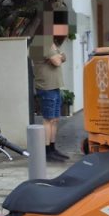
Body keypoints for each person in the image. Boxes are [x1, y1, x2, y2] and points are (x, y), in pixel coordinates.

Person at [31, 14, 69, 163]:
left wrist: (60, 55)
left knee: (54, 119)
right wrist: (59, 56)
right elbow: (57, 61)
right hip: (46, 87)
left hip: (54, 86)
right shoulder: (42, 42)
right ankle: (46, 151)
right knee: (48, 119)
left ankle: (52, 148)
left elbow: (61, 57)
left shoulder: (50, 42)